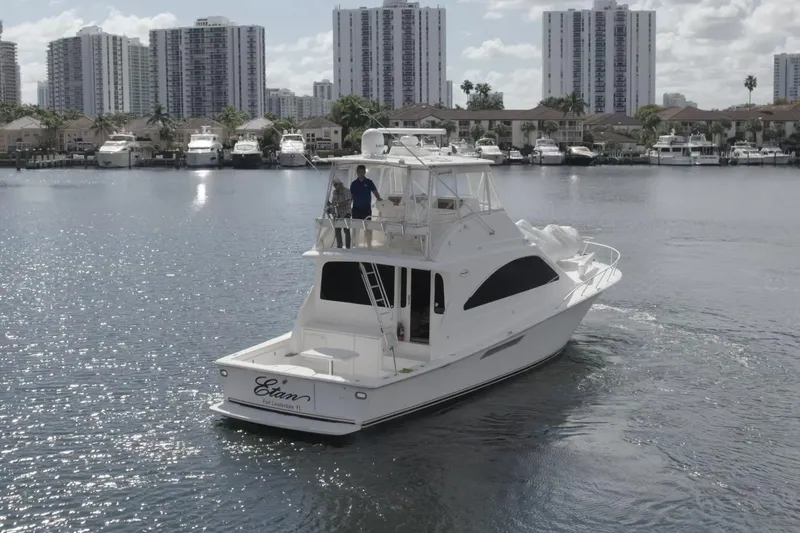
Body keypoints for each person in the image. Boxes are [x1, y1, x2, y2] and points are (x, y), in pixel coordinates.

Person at [349, 165, 382, 248]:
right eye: (359, 172)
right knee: (355, 227)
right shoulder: (353, 184)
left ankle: (369, 244)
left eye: (362, 172)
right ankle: (354, 244)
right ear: (357, 172)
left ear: (364, 172)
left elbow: (375, 192)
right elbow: (350, 197)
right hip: (356, 209)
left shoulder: (369, 182)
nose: (361, 173)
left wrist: (379, 199)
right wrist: (349, 207)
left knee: (368, 227)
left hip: (366, 209)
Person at [328, 179, 352, 248]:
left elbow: (348, 202)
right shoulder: (334, 192)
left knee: (346, 230)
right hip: (338, 213)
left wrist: (337, 204)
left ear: (341, 184)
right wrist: (330, 204)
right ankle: (339, 246)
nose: (335, 186)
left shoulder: (347, 191)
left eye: (336, 184)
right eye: (334, 185)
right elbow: (333, 202)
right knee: (337, 230)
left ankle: (348, 247)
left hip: (346, 213)